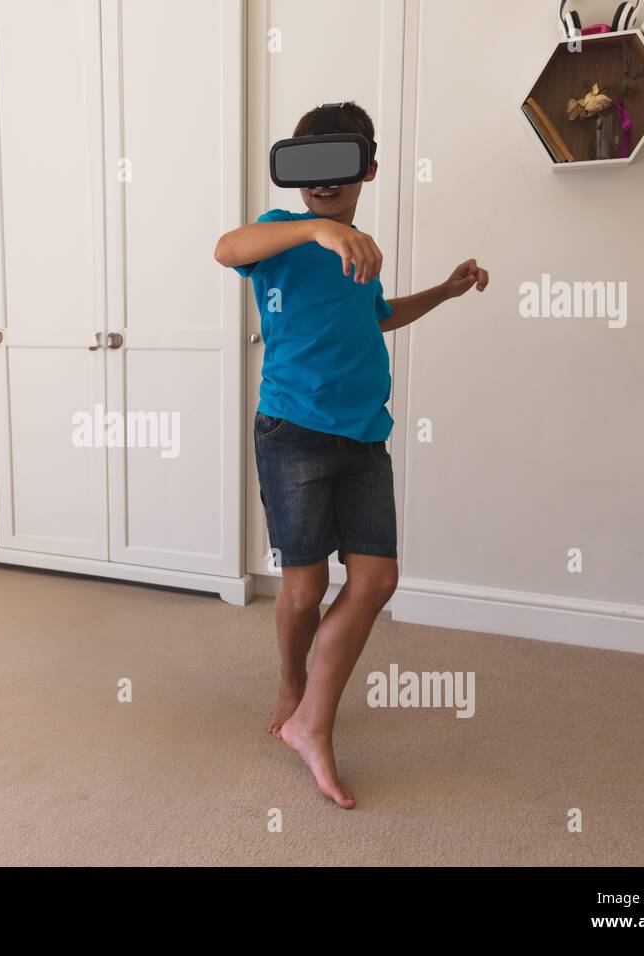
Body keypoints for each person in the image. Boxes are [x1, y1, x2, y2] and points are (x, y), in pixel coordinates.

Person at [213, 101, 490, 808]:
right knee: (303, 591)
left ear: (365, 169)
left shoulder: (359, 246)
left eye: (339, 162)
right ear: (296, 175)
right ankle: (290, 682)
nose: (323, 179)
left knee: (375, 580)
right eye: (309, 164)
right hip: (293, 433)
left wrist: (448, 291)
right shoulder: (281, 234)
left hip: (364, 434)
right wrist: (317, 227)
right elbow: (225, 249)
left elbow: (379, 315)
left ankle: (313, 725)